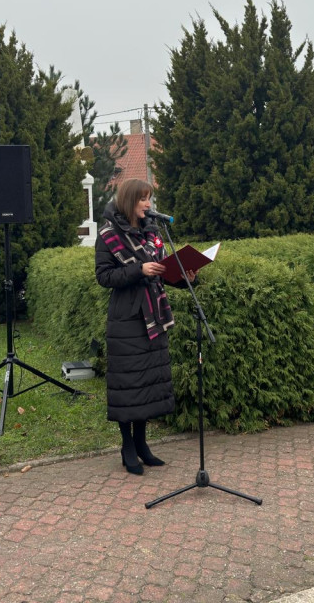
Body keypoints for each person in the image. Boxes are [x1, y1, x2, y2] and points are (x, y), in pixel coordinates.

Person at [94, 179, 191, 475]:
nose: (148, 204)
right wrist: (139, 270)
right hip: (127, 318)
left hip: (154, 316)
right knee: (129, 384)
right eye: (143, 199)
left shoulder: (152, 231)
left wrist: (185, 274)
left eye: (149, 199)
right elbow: (104, 277)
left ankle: (142, 444)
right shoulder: (109, 234)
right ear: (129, 201)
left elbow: (162, 270)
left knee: (147, 383)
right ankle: (127, 447)